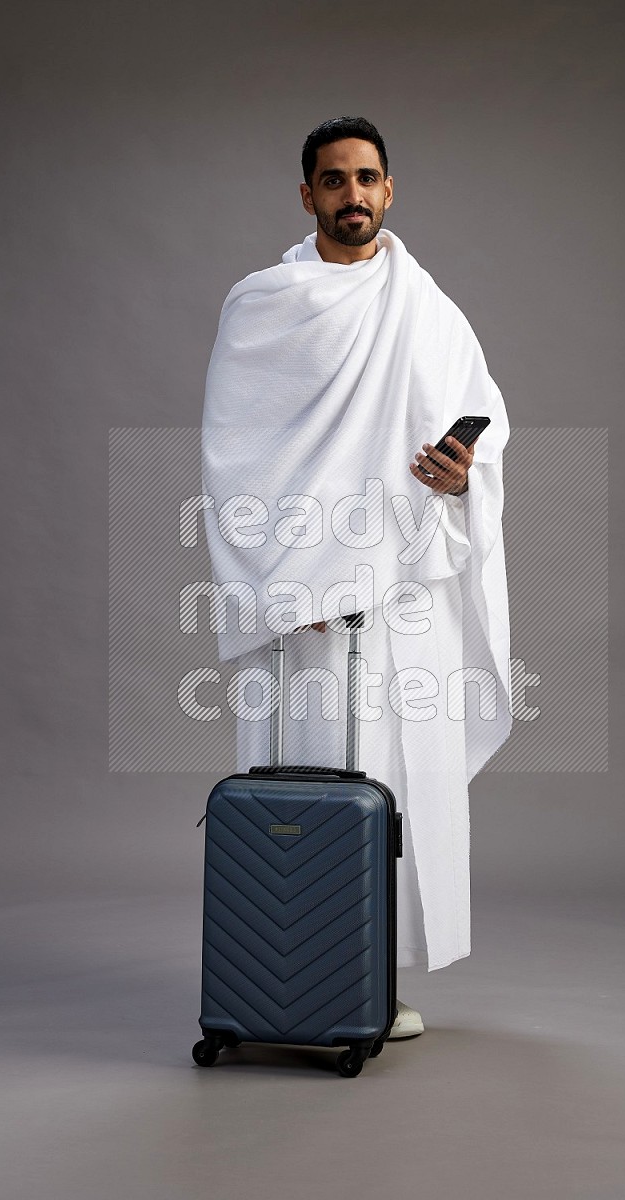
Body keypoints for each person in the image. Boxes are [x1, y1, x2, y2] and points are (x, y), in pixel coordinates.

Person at [201, 116, 512, 1040]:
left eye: (367, 179)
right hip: (301, 602)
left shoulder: (427, 308)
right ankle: (291, 975)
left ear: (390, 189)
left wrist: (463, 480)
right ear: (307, 196)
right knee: (307, 779)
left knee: (390, 777)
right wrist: (282, 582)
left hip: (400, 590)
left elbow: (482, 421)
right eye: (333, 182)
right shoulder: (263, 304)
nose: (353, 197)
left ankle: (368, 978)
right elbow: (234, 460)